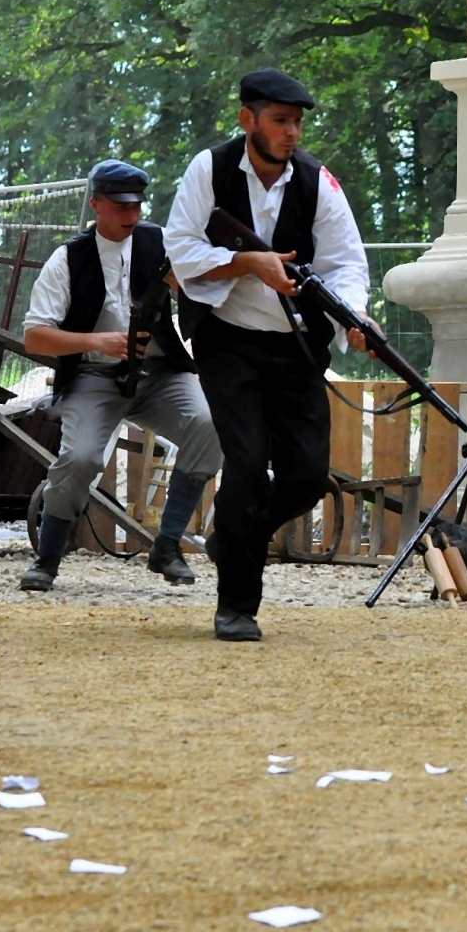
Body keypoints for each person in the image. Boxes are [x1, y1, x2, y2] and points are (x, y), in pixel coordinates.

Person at [163, 69, 371, 642]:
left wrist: (353, 315)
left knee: (306, 478)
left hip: (297, 343)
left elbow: (346, 264)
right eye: (280, 120)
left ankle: (232, 536)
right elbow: (180, 250)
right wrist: (247, 263)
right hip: (228, 340)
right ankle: (237, 605)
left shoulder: (318, 181)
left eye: (297, 122)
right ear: (247, 119)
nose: (292, 132)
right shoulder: (208, 169)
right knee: (249, 465)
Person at [19, 160, 223, 592]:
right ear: (96, 204)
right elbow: (36, 338)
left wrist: (184, 284)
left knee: (208, 425)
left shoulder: (162, 242)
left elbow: (206, 291)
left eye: (136, 206)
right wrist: (98, 342)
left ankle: (166, 546)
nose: (131, 215)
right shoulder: (68, 258)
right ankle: (47, 559)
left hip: (161, 373)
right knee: (82, 460)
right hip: (95, 376)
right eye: (119, 206)